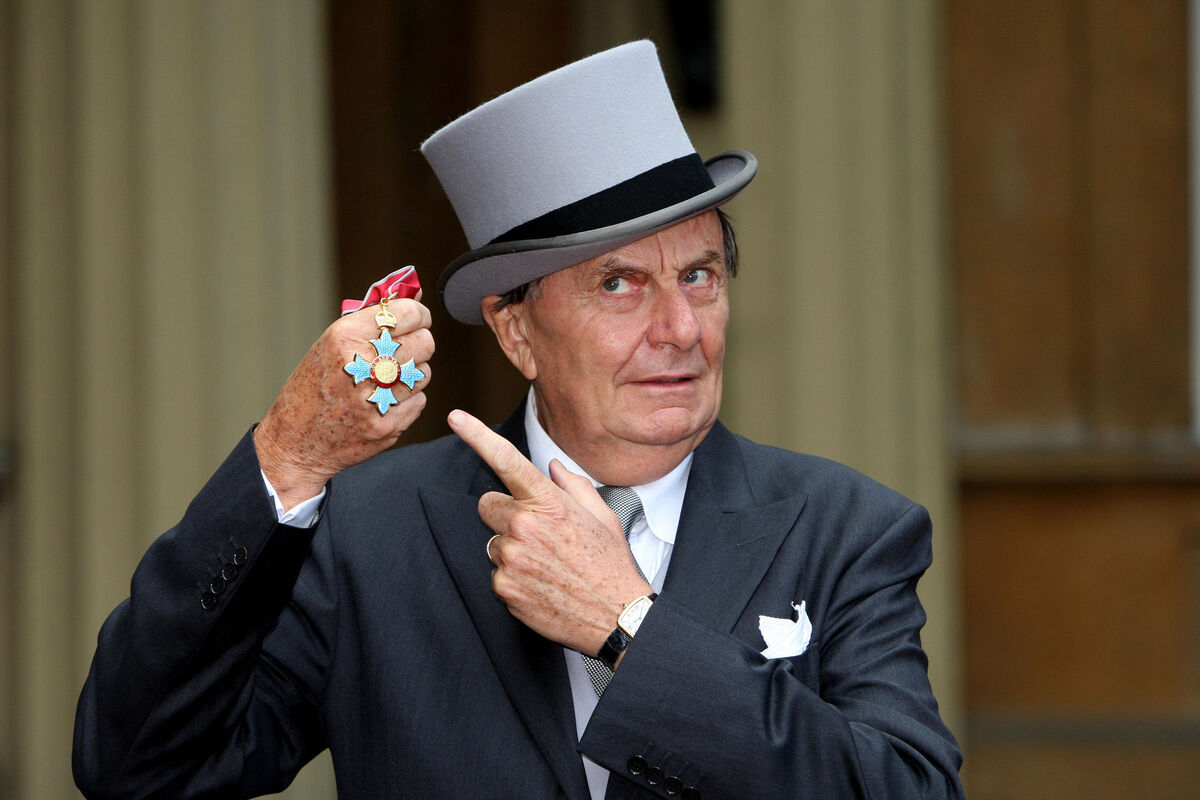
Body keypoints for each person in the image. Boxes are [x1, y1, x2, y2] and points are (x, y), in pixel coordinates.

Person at [73, 41, 963, 800]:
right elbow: (139, 768)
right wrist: (286, 459)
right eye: (620, 284)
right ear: (514, 330)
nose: (680, 329)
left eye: (700, 276)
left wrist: (629, 627)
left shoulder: (846, 529)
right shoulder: (374, 533)